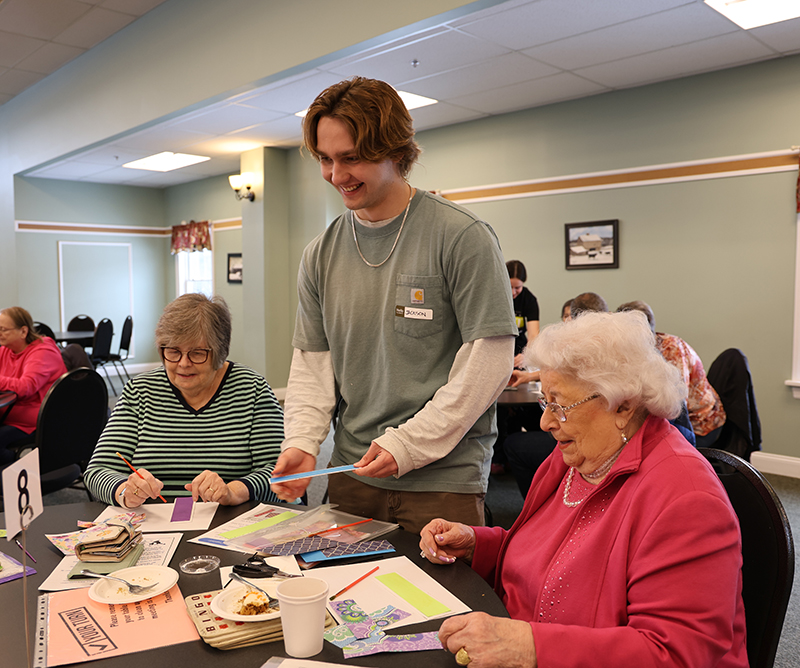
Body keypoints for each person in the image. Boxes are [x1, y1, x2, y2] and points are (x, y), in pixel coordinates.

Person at [420, 311, 747, 668]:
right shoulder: (575, 458)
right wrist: (478, 544)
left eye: (559, 404)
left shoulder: (686, 498)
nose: (545, 422)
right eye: (546, 402)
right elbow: (546, 558)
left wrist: (530, 647)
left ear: (622, 404)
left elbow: (675, 654)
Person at [270, 76, 517, 534]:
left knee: (446, 605)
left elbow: (489, 362)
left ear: (397, 151)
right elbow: (312, 363)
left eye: (352, 158)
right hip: (352, 472)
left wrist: (409, 444)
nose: (336, 175)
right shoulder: (319, 254)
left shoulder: (461, 236)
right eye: (326, 159)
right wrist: (304, 440)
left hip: (442, 478)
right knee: (344, 602)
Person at [84, 294, 283, 507]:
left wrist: (233, 491)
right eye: (173, 351)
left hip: (231, 524)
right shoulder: (140, 391)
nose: (183, 363)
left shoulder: (252, 389)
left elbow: (282, 472)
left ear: (220, 352)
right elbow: (98, 471)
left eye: (197, 353)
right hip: (153, 527)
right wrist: (124, 490)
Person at [617, 301, 726, 446]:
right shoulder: (632, 351)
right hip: (669, 421)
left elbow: (677, 405)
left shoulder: (672, 349)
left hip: (700, 425)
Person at [0, 307, 67, 463]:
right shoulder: (6, 350)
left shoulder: (43, 352)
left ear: (23, 331)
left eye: (3, 329)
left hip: (35, 419)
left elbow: (26, 387)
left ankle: (26, 471)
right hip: (8, 412)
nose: (0, 333)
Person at [506, 260, 539, 369]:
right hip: (498, 349)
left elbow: (533, 335)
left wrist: (526, 355)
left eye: (517, 288)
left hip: (519, 352)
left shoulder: (528, 299)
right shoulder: (495, 296)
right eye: (509, 286)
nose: (512, 292)